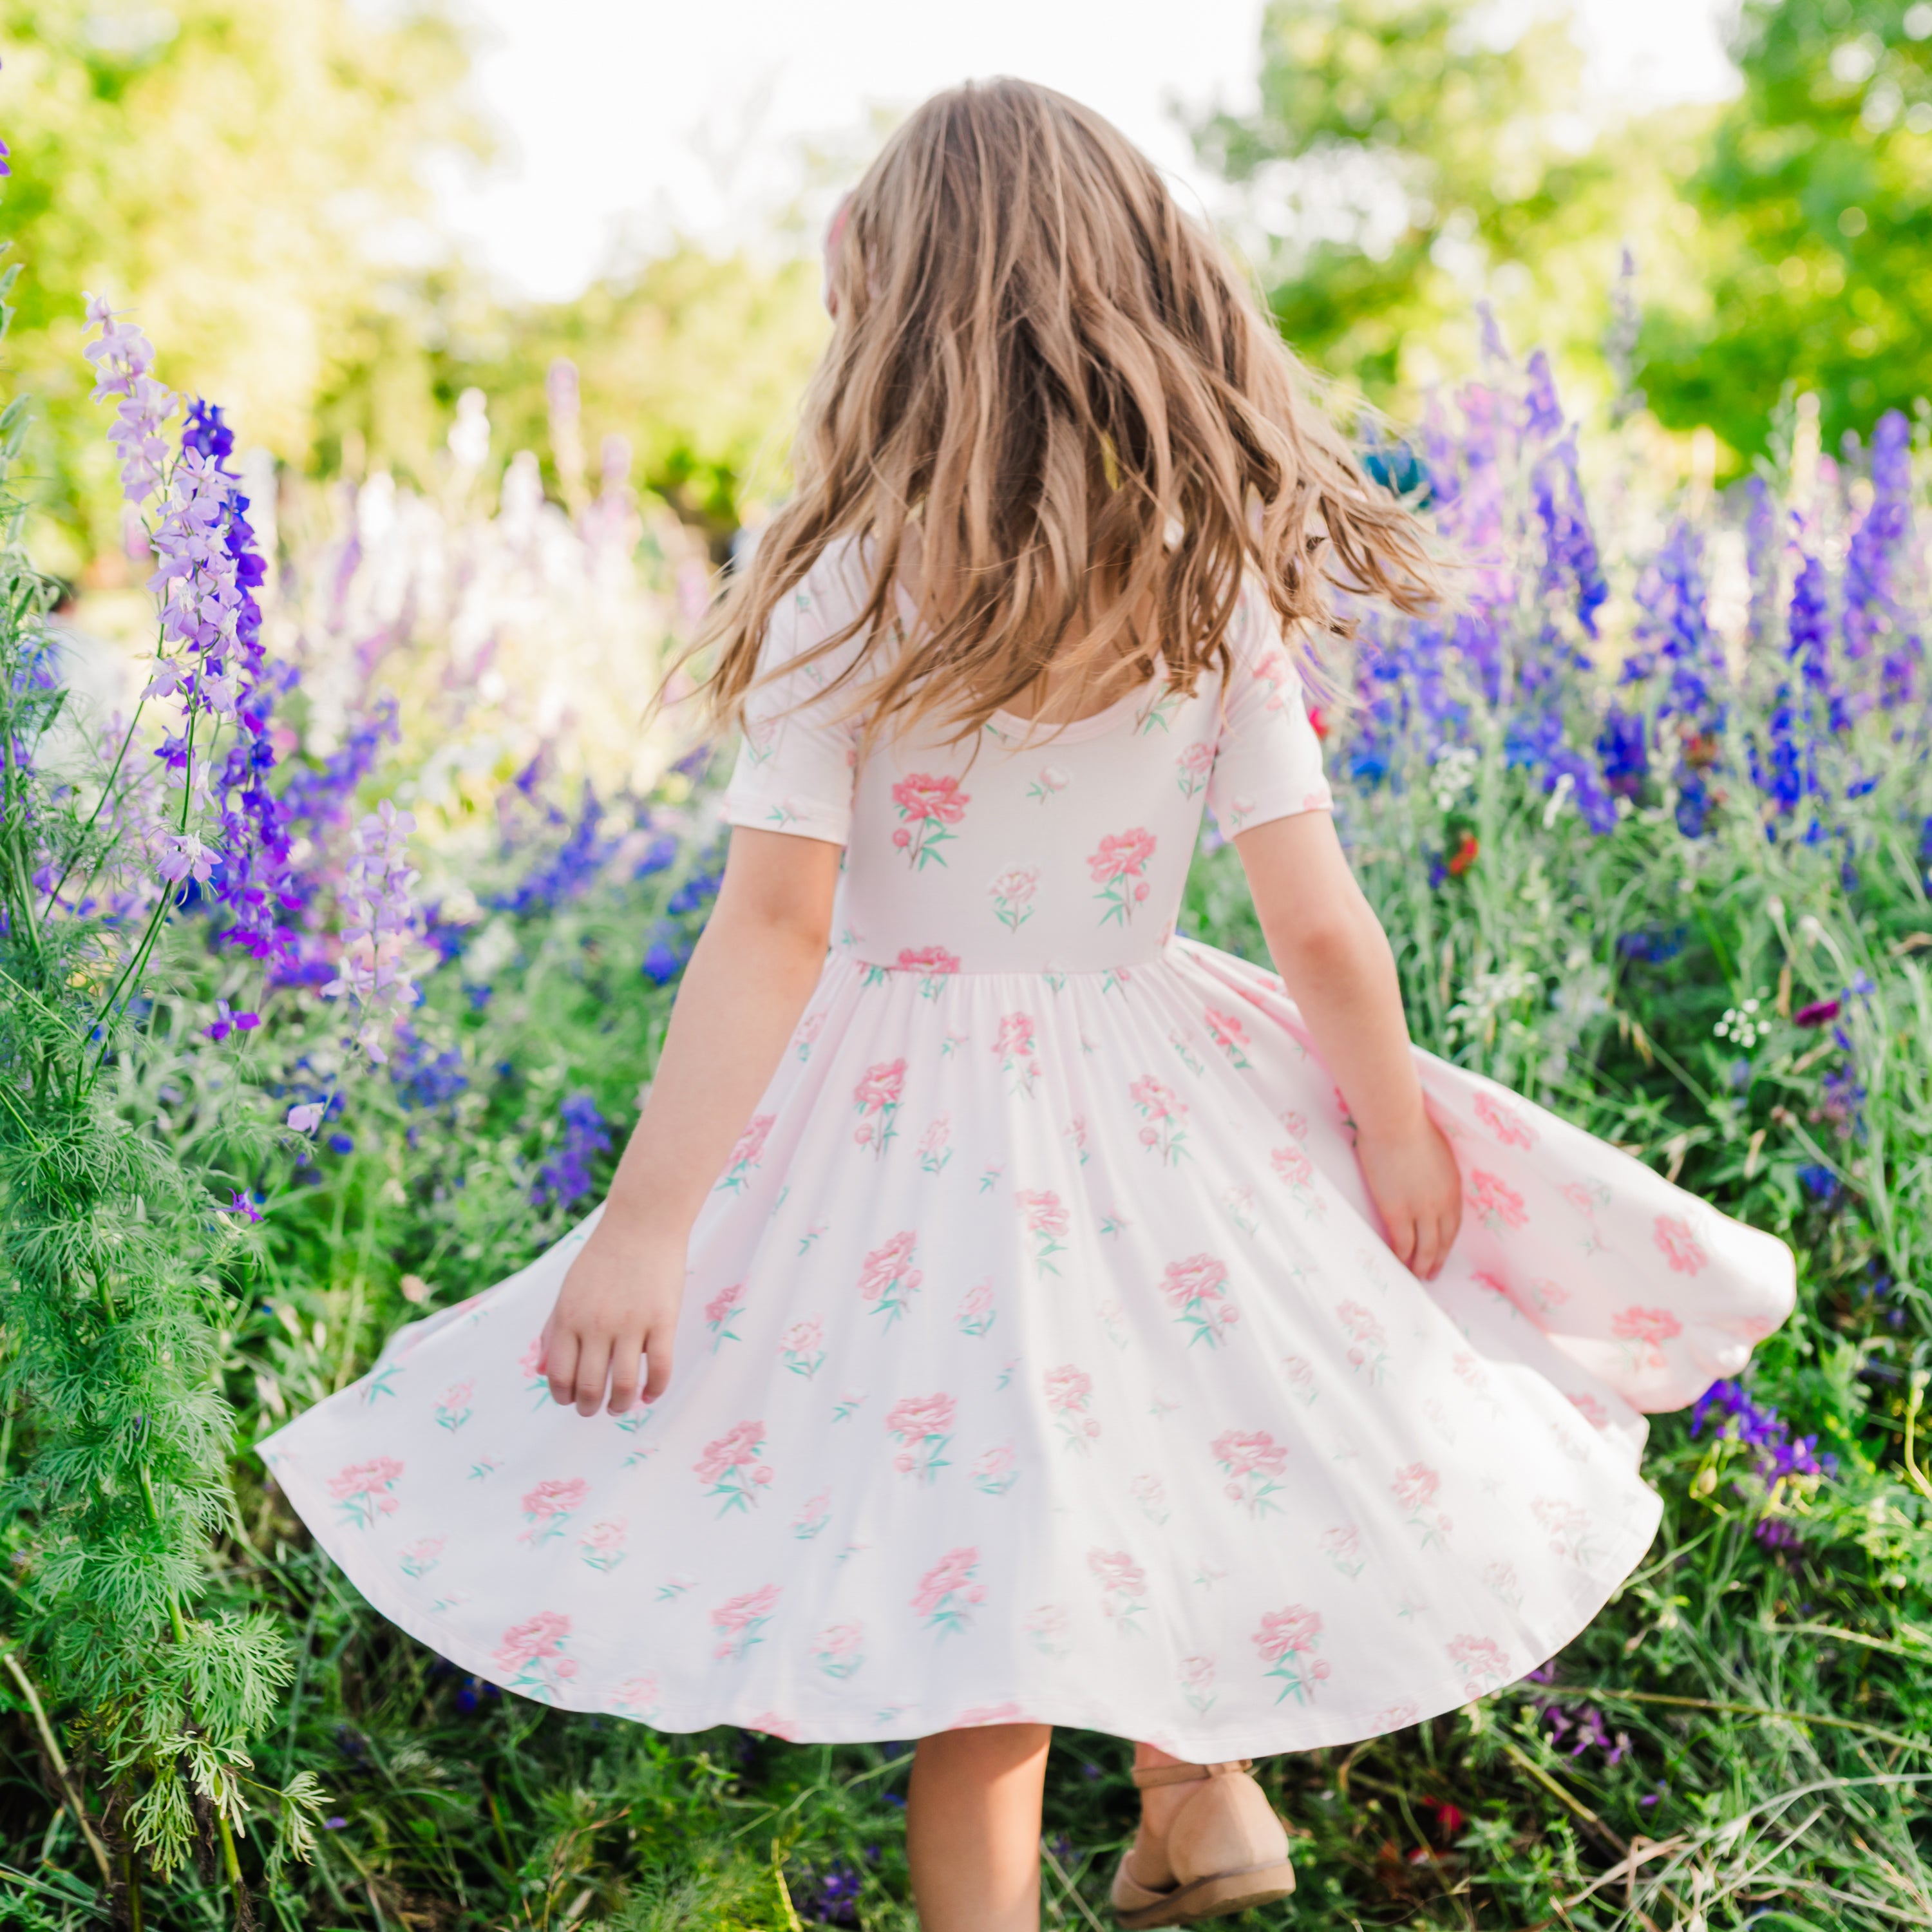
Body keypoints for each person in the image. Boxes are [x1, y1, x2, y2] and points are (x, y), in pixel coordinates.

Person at [261, 77, 1795, 1931]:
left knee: (975, 1611)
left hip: (907, 1120)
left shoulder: (845, 578)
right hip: (1155, 1075)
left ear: (904, 328)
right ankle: (1198, 1789)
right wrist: (1390, 1126)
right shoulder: (1208, 568)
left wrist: (647, 1228)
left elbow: (771, 927)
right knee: (1166, 1439)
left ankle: (1160, 1817)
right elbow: (1317, 923)